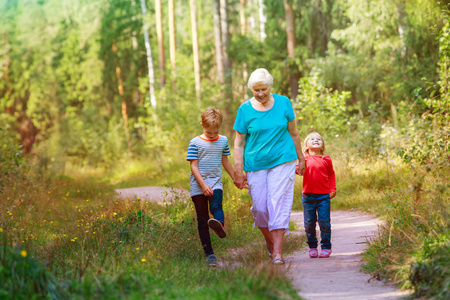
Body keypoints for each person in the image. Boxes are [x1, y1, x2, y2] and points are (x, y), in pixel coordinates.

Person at [233, 68, 305, 265]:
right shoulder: (244, 110)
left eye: (263, 89)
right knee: (260, 208)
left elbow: (294, 133)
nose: (260, 94)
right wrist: (238, 170)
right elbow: (239, 143)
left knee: (277, 203)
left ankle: (278, 253)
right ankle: (270, 242)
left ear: (270, 87)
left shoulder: (283, 103)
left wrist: (302, 158)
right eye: (256, 90)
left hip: (283, 159)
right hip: (255, 164)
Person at [186, 107, 235, 267]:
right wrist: (202, 184)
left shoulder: (223, 140)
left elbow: (225, 161)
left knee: (216, 205)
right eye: (209, 132)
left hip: (215, 182)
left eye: (215, 132)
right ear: (202, 125)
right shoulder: (195, 142)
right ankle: (210, 254)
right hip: (198, 185)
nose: (213, 135)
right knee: (202, 220)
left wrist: (235, 177)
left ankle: (219, 224)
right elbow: (193, 166)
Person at [297, 132, 336, 258]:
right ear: (306, 145)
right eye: (312, 139)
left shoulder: (326, 159)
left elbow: (331, 174)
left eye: (318, 139)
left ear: (322, 145)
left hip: (323, 196)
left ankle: (326, 247)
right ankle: (312, 246)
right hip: (308, 196)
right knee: (309, 223)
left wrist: (332, 188)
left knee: (324, 222)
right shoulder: (304, 158)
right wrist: (298, 167)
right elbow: (298, 171)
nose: (316, 140)